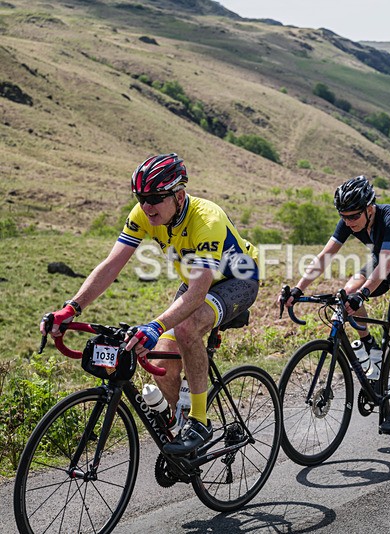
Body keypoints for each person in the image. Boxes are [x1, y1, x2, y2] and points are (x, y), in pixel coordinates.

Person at [40, 153, 259, 454]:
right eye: (141, 197)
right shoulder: (144, 214)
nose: (146, 206)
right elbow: (112, 265)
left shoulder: (207, 219)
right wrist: (72, 308)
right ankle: (180, 425)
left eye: (155, 197)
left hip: (236, 280)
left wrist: (155, 326)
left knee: (185, 329)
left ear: (179, 195)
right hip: (196, 279)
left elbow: (197, 293)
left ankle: (199, 420)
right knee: (161, 363)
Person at [279, 175, 390, 434]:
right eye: (344, 217)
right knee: (346, 291)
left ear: (369, 208)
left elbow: (384, 266)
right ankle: (368, 342)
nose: (349, 223)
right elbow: (324, 256)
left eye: (353, 217)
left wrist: (362, 295)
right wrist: (298, 288)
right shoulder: (348, 221)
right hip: (383, 266)